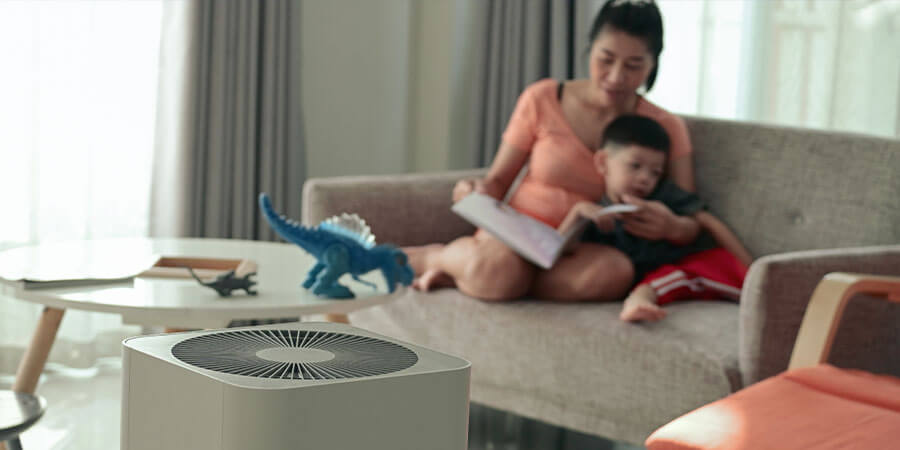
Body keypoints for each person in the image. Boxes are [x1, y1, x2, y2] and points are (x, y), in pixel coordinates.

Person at [409, 0, 751, 301]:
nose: (616, 77)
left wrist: (671, 228)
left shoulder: (665, 127)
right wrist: (475, 191)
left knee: (615, 273)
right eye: (606, 59)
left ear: (653, 66)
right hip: (518, 235)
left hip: (583, 249)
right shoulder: (543, 98)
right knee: (499, 270)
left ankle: (478, 276)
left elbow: (690, 220)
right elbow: (498, 180)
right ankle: (434, 260)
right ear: (590, 49)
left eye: (634, 65)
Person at [557, 115, 747, 322]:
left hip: (675, 267)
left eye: (655, 173)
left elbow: (707, 221)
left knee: (714, 261)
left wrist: (752, 269)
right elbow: (556, 253)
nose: (645, 179)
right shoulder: (597, 213)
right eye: (635, 166)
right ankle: (639, 300)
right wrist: (576, 214)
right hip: (635, 280)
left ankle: (756, 285)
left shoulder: (662, 196)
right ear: (603, 162)